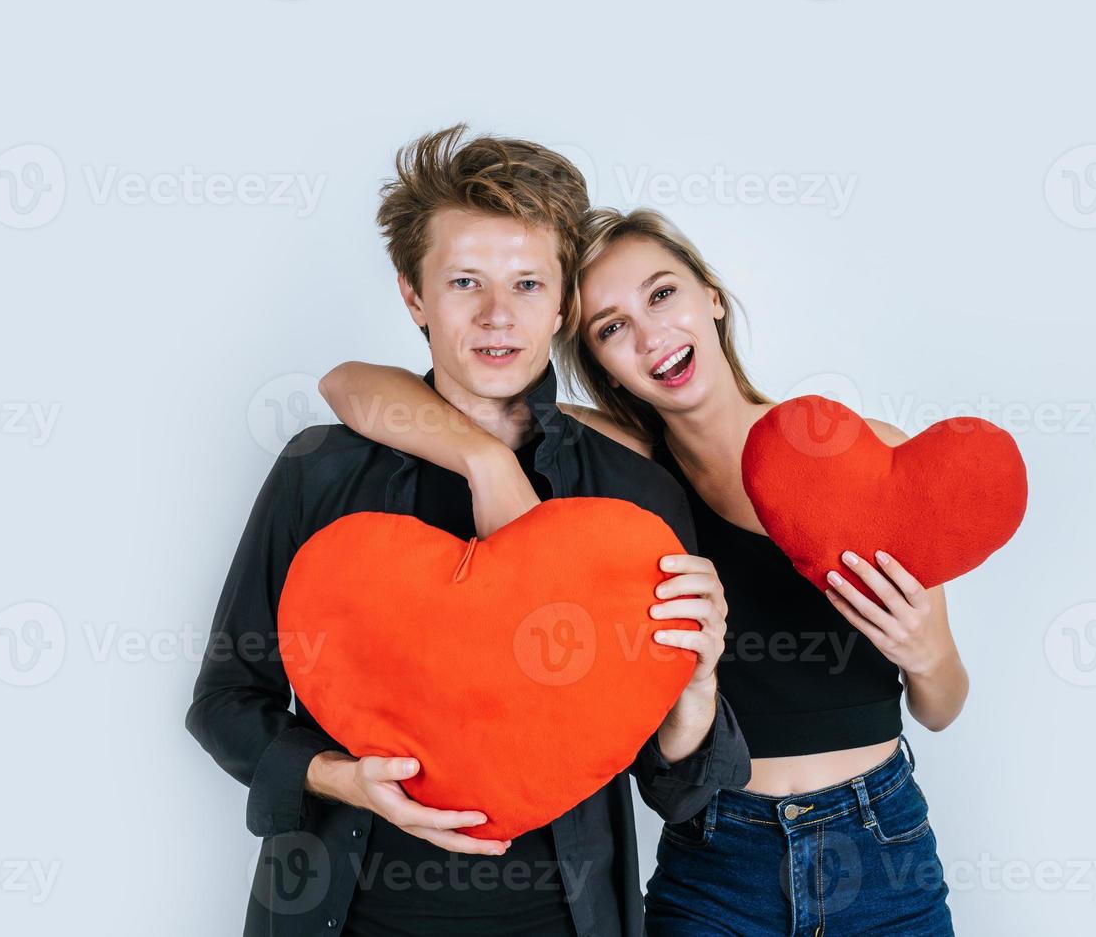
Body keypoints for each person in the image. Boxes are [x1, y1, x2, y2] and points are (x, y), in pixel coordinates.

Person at [319, 206, 966, 934]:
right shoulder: (623, 470)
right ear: (599, 362)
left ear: (711, 296)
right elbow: (348, 383)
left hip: (879, 839)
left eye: (663, 294)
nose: (651, 335)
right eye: (611, 327)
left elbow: (942, 706)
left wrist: (930, 653)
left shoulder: (861, 456)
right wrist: (489, 461)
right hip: (714, 855)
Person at [186, 127, 750, 937]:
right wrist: (343, 779)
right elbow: (225, 701)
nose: (497, 315)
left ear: (562, 306)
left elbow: (682, 791)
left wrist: (696, 686)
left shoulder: (629, 494)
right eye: (463, 281)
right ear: (414, 296)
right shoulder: (318, 471)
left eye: (527, 283)